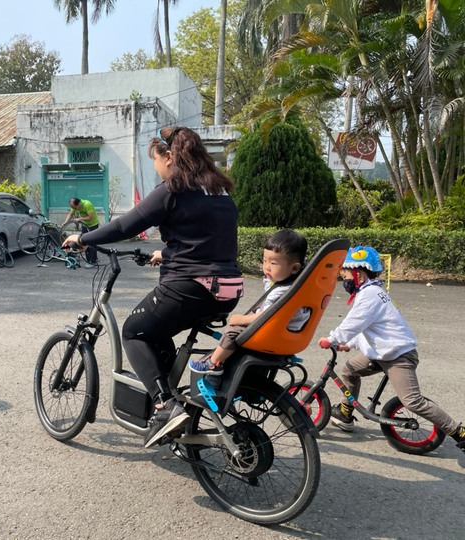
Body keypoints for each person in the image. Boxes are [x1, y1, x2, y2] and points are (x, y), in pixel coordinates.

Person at [63, 126, 243, 447]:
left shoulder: (172, 189)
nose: (156, 169)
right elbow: (208, 239)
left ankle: (164, 405)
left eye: (156, 161)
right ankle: (177, 405)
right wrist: (168, 252)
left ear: (170, 157)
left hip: (191, 287)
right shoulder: (219, 191)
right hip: (229, 288)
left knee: (133, 331)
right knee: (157, 331)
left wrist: (83, 238)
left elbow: (123, 225)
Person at [317, 245, 465, 452]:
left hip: (399, 356)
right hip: (381, 354)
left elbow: (353, 323)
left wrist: (332, 339)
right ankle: (345, 413)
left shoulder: (370, 295)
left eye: (345, 274)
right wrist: (348, 344)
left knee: (412, 401)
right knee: (349, 370)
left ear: (358, 274)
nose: (344, 279)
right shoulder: (371, 292)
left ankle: (459, 432)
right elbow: (368, 328)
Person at [189, 228, 310, 376]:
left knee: (232, 332)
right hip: (289, 334)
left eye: (273, 263)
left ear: (294, 268)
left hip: (275, 332)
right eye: (264, 260)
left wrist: (241, 319)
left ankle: (213, 364)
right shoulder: (297, 285)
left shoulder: (282, 291)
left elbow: (268, 315)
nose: (266, 267)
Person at [62, 197, 99, 268]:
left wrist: (79, 219)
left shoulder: (87, 204)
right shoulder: (75, 206)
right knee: (84, 241)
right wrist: (65, 222)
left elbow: (91, 217)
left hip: (93, 225)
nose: (75, 209)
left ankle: (93, 262)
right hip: (84, 225)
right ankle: (90, 260)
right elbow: (70, 214)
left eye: (75, 207)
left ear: (78, 204)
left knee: (92, 242)